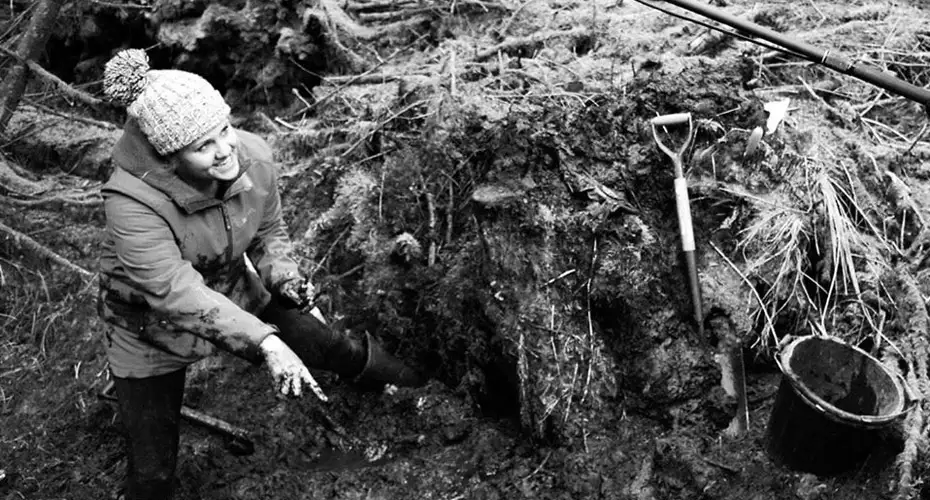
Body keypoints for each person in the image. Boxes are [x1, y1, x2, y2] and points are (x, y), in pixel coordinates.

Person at [97, 49, 424, 500]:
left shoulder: (252, 155)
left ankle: (415, 388)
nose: (225, 151)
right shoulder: (130, 202)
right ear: (171, 157)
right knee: (152, 473)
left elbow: (268, 232)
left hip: (234, 289)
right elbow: (174, 291)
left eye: (224, 130)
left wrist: (283, 277)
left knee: (331, 345)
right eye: (203, 146)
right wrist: (266, 342)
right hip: (148, 323)